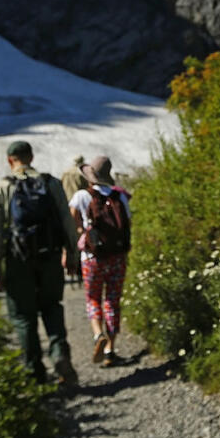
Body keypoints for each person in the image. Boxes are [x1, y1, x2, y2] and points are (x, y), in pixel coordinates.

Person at [0, 140, 77, 387]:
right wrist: (73, 256)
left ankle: (35, 373)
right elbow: (67, 221)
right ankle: (60, 356)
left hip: (18, 262)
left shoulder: (2, 188)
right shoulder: (51, 183)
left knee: (24, 317)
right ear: (31, 157)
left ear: (10, 160)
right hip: (50, 258)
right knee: (52, 307)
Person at [68, 155, 131, 367]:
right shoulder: (119, 197)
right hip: (117, 257)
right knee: (112, 300)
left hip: (92, 257)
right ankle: (110, 349)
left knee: (93, 298)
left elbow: (73, 218)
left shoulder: (81, 196)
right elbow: (127, 223)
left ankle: (98, 334)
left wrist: (82, 232)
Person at [60, 156, 89, 283]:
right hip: (79, 205)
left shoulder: (66, 173)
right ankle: (79, 265)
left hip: (67, 205)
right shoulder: (82, 173)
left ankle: (69, 261)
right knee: (80, 233)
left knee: (68, 234)